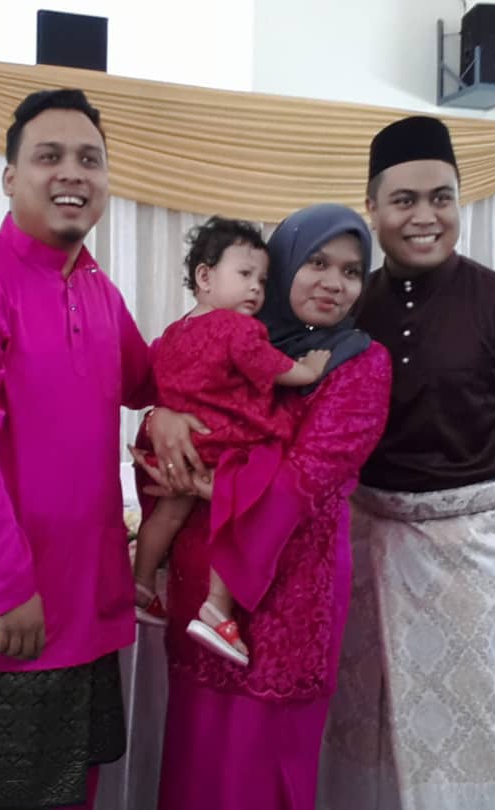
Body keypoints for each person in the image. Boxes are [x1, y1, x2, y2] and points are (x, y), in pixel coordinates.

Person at [0, 89, 156, 810]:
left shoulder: (99, 288)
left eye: (89, 159)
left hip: (84, 605)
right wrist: (7, 589)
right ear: (10, 177)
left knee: (71, 793)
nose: (72, 172)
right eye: (50, 156)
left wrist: (175, 401)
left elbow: (148, 379)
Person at [319, 115, 495, 810]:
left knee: (466, 727)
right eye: (404, 200)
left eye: (442, 198)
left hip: (468, 553)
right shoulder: (352, 309)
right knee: (363, 718)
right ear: (372, 207)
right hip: (367, 544)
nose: (425, 217)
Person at [139, 204, 392, 810]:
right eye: (317, 263)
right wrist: (161, 417)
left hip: (290, 591)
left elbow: (307, 480)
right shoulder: (235, 338)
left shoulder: (360, 363)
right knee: (197, 756)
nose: (334, 283)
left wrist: (203, 483)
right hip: (201, 580)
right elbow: (171, 410)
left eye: (351, 271)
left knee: (262, 763)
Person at [132, 216, 331, 667]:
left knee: (166, 515)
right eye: (244, 274)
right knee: (238, 513)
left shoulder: (173, 332)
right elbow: (271, 367)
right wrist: (310, 370)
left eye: (262, 280)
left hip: (183, 445)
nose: (256, 288)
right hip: (224, 446)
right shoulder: (238, 329)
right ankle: (217, 608)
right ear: (205, 277)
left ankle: (140, 587)